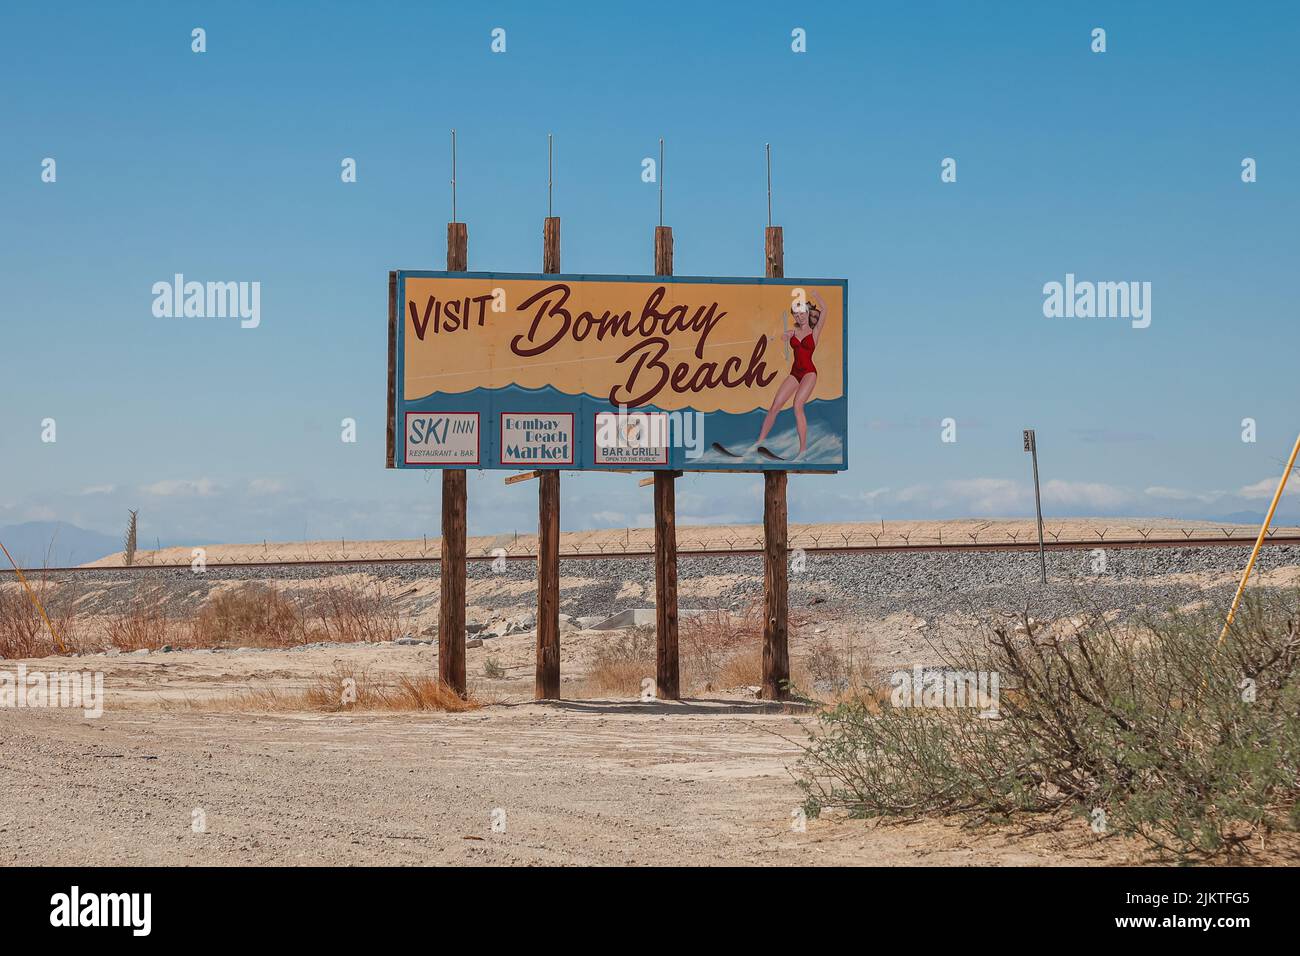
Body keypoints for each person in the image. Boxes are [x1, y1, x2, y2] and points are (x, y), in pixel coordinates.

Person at [755, 289, 827, 458]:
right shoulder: (793, 332)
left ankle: (803, 450)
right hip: (795, 373)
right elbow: (783, 337)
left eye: (801, 313)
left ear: (807, 313)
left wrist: (816, 296)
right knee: (775, 406)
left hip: (809, 373)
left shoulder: (814, 332)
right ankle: (758, 443)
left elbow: (825, 310)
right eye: (795, 314)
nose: (799, 317)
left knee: (797, 405)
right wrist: (784, 337)